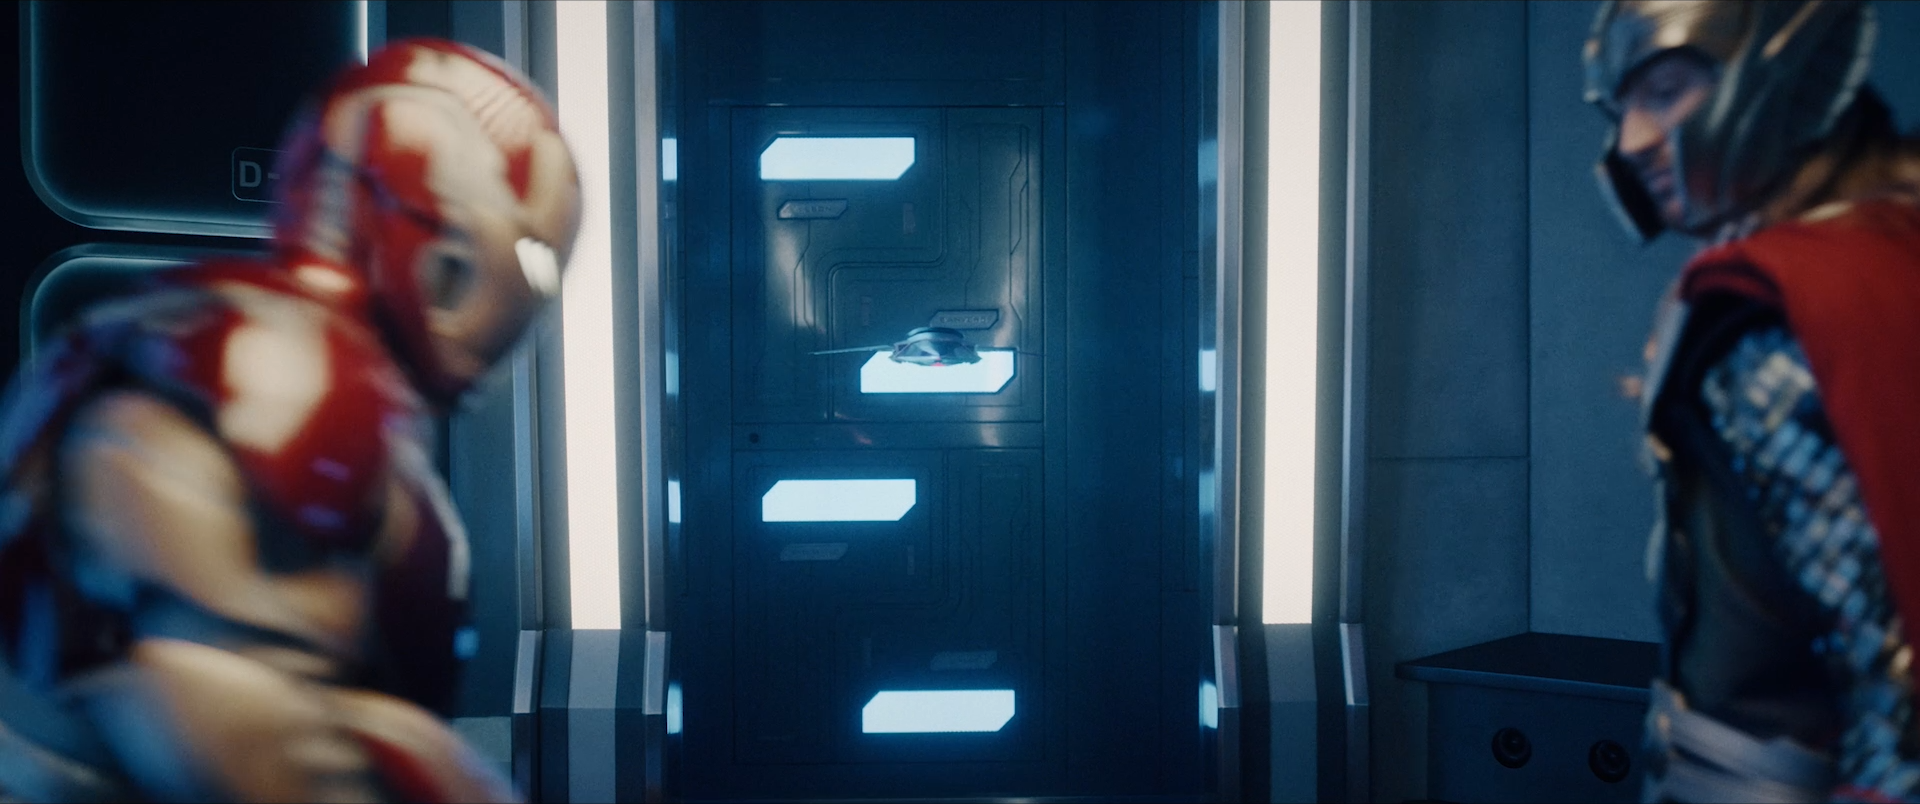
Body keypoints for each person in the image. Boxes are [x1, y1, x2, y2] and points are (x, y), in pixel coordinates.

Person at [0, 38, 578, 803]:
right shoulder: (289, 375)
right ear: (452, 245)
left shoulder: (188, 330)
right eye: (535, 263)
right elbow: (236, 731)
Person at [1584, 0, 1920, 801]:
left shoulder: (1772, 315)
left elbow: (1893, 694)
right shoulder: (1888, 250)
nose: (1631, 142)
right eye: (1622, 107)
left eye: (1665, 92)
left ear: (1778, 69)